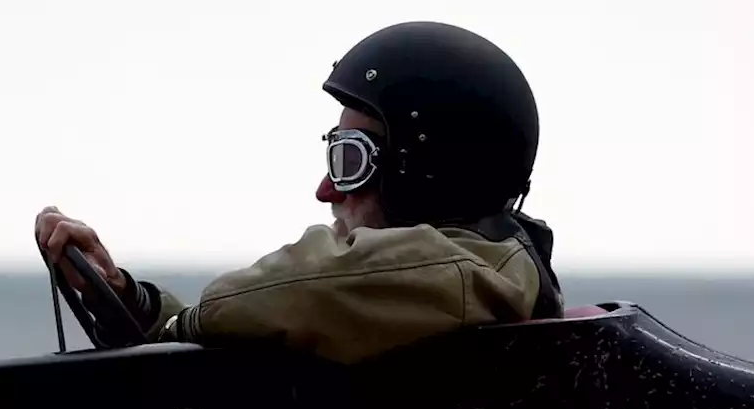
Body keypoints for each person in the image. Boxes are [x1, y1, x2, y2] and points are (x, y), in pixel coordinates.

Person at [35, 21, 566, 364]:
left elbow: (311, 288)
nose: (325, 189)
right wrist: (129, 299)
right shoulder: (475, 287)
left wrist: (189, 322)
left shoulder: (462, 280)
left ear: (427, 172)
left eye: (351, 159)